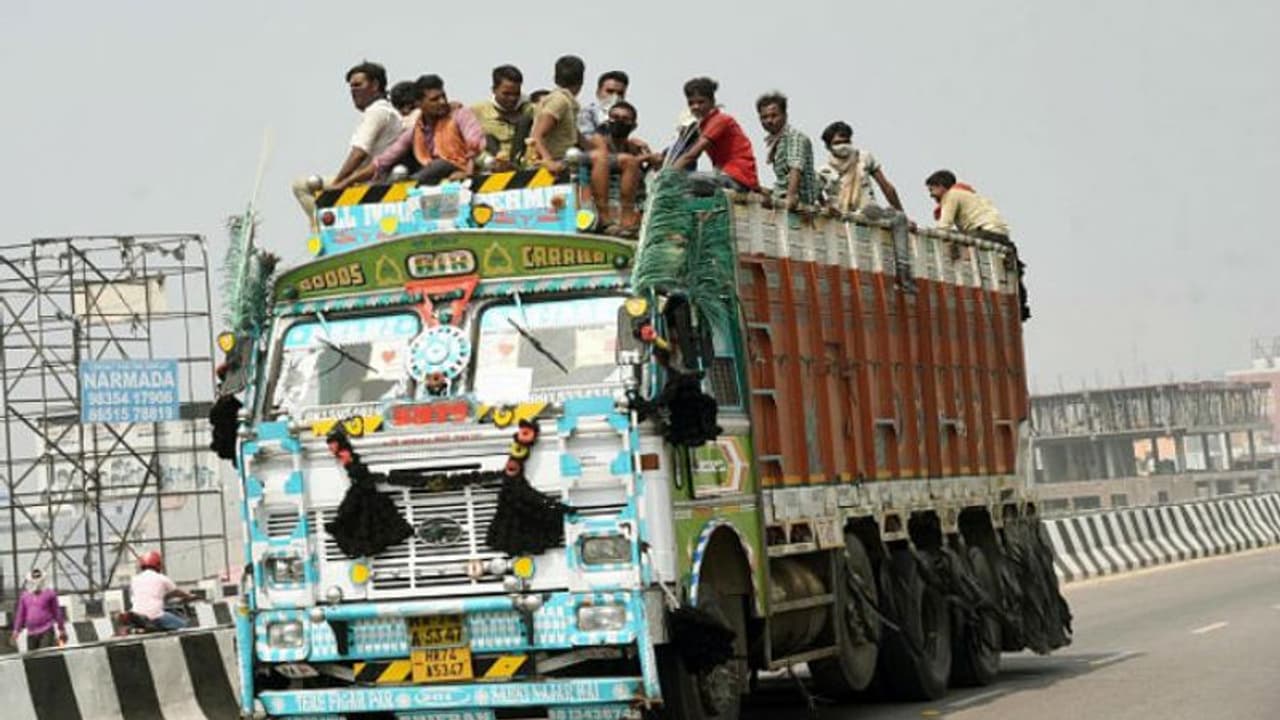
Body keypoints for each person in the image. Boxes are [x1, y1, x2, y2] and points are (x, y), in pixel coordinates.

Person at [291, 61, 403, 221]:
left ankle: (321, 228)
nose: (353, 91)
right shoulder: (390, 112)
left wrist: (338, 183)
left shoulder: (376, 112)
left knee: (300, 186)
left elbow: (359, 153)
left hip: (369, 180)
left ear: (375, 85)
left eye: (358, 85)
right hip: (378, 177)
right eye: (351, 87)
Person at [338, 74, 485, 187]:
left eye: (443, 97)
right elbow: (382, 161)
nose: (442, 102)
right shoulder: (416, 131)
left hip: (460, 169)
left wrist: (466, 173)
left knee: (438, 165)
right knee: (397, 164)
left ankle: (409, 187)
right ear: (419, 103)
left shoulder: (459, 114)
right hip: (432, 177)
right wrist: (344, 183)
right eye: (435, 99)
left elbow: (476, 144)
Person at [670, 77, 759, 192]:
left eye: (701, 102)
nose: (695, 107)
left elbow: (692, 155)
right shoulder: (702, 126)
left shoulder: (719, 120)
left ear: (712, 102)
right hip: (726, 176)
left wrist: (669, 174)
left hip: (736, 178)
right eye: (691, 103)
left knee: (683, 182)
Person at [588, 100, 656, 235]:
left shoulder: (631, 146)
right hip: (601, 199)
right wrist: (642, 158)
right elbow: (605, 161)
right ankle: (613, 220)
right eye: (615, 117)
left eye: (625, 119)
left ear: (633, 125)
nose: (619, 122)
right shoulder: (598, 139)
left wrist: (650, 156)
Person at [818, 120, 903, 213]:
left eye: (846, 142)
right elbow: (814, 193)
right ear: (828, 146)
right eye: (838, 143)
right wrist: (825, 206)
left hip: (868, 213)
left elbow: (886, 187)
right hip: (840, 218)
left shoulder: (863, 158)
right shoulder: (824, 171)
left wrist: (901, 214)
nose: (843, 146)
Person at [756, 92, 817, 211]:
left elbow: (796, 167)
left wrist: (790, 197)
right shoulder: (777, 141)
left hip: (798, 200)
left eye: (774, 116)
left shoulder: (794, 136)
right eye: (764, 117)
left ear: (785, 115)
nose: (769, 120)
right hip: (781, 192)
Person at [528, 55, 585, 174]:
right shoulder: (559, 101)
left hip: (569, 158)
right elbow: (537, 135)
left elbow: (578, 137)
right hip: (559, 160)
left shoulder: (569, 103)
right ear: (581, 81)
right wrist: (548, 161)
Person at [471, 64, 535, 171]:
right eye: (506, 94)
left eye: (516, 94)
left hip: (525, 168)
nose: (512, 99)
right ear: (494, 90)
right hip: (492, 169)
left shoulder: (530, 110)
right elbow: (470, 146)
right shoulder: (477, 111)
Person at [925, 170, 1010, 240]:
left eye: (931, 190)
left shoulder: (951, 195)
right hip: (1000, 234)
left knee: (953, 241)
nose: (931, 195)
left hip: (986, 231)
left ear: (940, 186)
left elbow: (943, 227)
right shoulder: (968, 194)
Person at [129, 550, 198, 631]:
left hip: (136, 614)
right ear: (158, 564)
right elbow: (177, 592)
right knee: (184, 625)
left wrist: (166, 598)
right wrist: (188, 596)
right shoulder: (162, 578)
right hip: (155, 616)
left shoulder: (134, 579)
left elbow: (144, 596)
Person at [10, 568, 66, 651]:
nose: (36, 581)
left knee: (44, 654)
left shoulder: (50, 593)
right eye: (34, 577)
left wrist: (61, 628)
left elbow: (56, 612)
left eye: (38, 577)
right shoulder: (25, 596)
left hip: (46, 629)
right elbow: (20, 615)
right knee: (32, 658)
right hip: (31, 632)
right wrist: (16, 631)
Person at [578, 70, 629, 142]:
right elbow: (589, 141)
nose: (615, 97)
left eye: (620, 93)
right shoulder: (587, 114)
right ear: (598, 92)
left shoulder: (624, 117)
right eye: (610, 91)